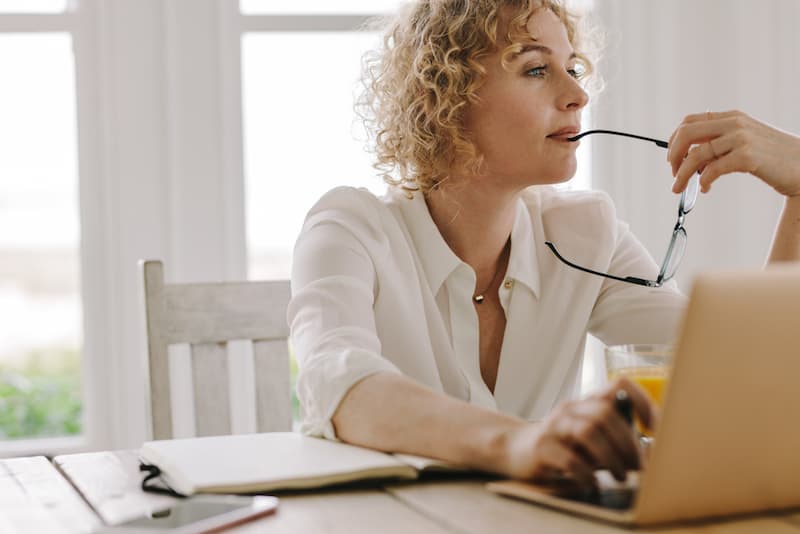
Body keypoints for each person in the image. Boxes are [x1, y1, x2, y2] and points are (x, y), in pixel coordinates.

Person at [287, 0, 800, 488]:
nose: (578, 94)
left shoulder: (586, 231)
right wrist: (523, 444)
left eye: (572, 67)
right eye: (536, 69)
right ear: (443, 94)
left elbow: (736, 379)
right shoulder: (349, 228)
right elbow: (338, 385)